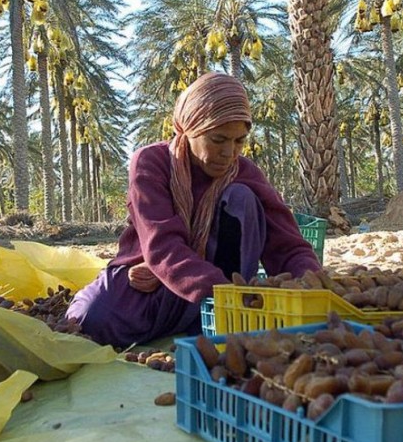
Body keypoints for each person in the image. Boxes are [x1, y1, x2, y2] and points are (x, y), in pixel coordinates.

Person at [66, 72, 322, 348]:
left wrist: (313, 285)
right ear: (189, 129)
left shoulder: (244, 172)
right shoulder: (151, 162)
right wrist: (221, 291)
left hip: (221, 293)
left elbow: (288, 245)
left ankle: (217, 317)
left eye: (239, 141)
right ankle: (209, 312)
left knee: (242, 198)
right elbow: (162, 245)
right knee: (89, 319)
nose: (229, 153)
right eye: (218, 139)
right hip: (160, 279)